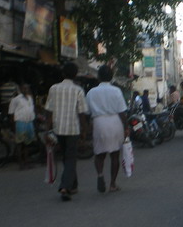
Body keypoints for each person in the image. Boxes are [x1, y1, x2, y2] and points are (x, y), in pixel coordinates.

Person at [45, 62, 89, 201]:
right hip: (72, 129)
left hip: (58, 129)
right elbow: (82, 113)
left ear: (63, 74)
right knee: (70, 157)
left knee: (66, 157)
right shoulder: (78, 90)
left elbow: (49, 111)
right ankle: (65, 187)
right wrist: (84, 130)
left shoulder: (54, 89)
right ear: (75, 75)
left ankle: (73, 185)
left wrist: (47, 130)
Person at [86, 65, 129, 193]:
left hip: (98, 123)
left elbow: (87, 112)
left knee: (99, 154)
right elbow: (122, 112)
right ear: (111, 77)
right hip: (115, 122)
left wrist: (87, 128)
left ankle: (100, 174)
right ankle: (112, 184)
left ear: (98, 77)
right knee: (115, 155)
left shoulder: (91, 92)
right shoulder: (116, 91)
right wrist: (126, 127)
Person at [8, 84, 36, 169]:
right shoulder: (16, 99)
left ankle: (26, 162)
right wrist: (13, 126)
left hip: (29, 122)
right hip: (20, 122)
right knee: (19, 144)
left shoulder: (30, 98)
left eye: (27, 88)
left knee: (27, 143)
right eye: (24, 88)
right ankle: (20, 163)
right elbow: (11, 113)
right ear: (20, 89)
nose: (25, 90)